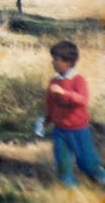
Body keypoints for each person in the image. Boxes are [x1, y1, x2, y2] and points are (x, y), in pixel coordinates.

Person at [32, 40, 105, 187]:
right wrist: (46, 120)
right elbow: (51, 104)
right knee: (62, 162)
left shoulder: (78, 80)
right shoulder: (54, 81)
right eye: (53, 58)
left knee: (87, 162)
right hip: (60, 130)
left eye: (56, 59)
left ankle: (100, 177)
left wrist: (64, 92)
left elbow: (83, 100)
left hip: (78, 129)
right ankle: (69, 189)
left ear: (68, 62)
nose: (53, 62)